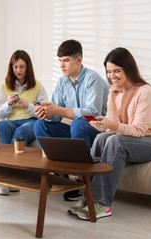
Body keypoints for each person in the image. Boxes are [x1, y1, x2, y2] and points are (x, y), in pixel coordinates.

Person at [69, 47, 151, 221]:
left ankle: (103, 203)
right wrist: (108, 106)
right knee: (102, 137)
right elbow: (112, 127)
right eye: (109, 72)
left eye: (117, 71)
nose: (112, 76)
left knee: (116, 142)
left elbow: (138, 130)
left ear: (128, 68)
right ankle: (88, 196)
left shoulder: (146, 92)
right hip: (135, 139)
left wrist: (113, 125)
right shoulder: (116, 92)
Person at [33, 39, 108, 201]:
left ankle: (83, 182)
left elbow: (92, 115)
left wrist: (58, 110)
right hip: (77, 130)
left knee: (80, 123)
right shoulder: (62, 82)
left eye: (66, 60)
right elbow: (57, 115)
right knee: (40, 125)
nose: (61, 65)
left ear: (79, 60)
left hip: (98, 131)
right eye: (60, 61)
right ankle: (61, 176)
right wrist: (47, 112)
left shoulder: (93, 79)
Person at [0, 50, 48, 195]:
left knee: (20, 132)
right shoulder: (4, 86)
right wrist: (8, 104)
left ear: (28, 67)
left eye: (22, 67)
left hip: (30, 121)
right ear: (11, 68)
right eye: (15, 67)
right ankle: (5, 178)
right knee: (1, 125)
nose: (18, 70)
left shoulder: (37, 85)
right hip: (10, 121)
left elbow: (44, 111)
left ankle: (9, 176)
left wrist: (28, 105)